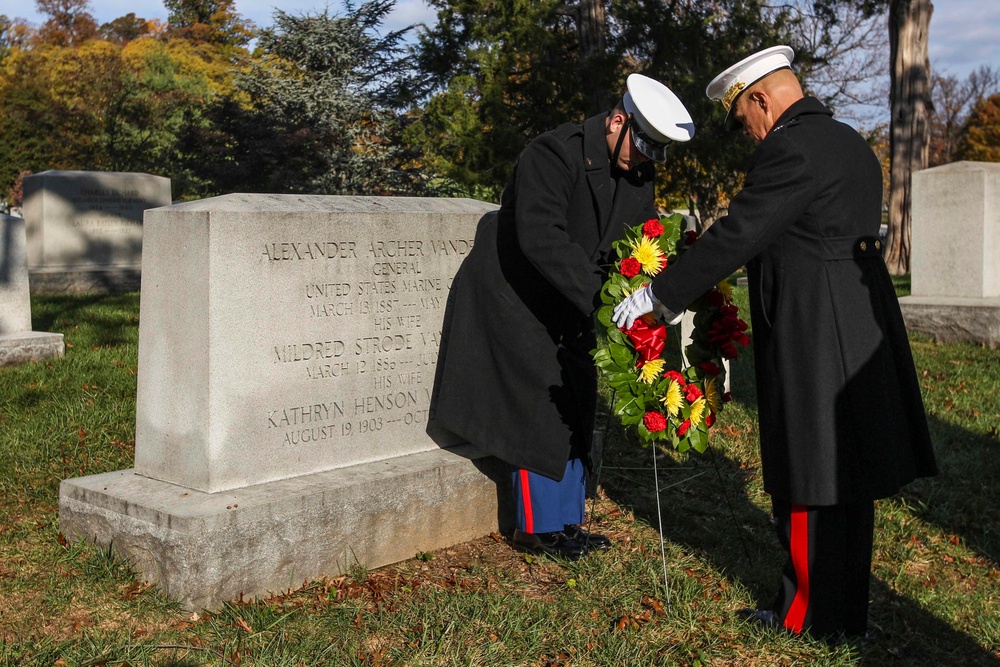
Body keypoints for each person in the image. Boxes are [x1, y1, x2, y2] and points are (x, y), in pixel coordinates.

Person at [614, 46, 938, 637]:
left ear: (761, 99)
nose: (749, 134)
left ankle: (806, 615)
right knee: (847, 473)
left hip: (815, 328)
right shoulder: (848, 142)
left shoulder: (791, 147)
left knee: (809, 469)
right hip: (857, 324)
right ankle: (844, 614)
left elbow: (740, 233)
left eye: (744, 120)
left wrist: (659, 298)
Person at [431, 74, 695, 559]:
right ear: (618, 120)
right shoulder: (551, 152)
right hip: (519, 296)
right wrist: (605, 300)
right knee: (539, 409)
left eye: (657, 153)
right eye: (643, 145)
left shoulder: (636, 168)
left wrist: (651, 287)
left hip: (574, 301)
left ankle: (568, 521)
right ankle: (536, 528)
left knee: (575, 402)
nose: (646, 162)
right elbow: (540, 236)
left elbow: (642, 239)